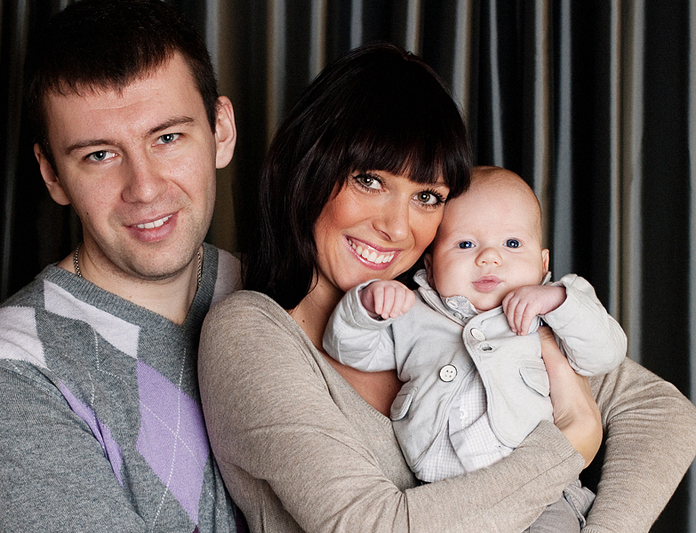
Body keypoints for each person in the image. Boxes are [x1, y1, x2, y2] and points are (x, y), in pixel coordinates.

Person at [198, 43, 696, 533]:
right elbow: (368, 525)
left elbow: (660, 411)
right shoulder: (250, 332)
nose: (397, 228)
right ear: (305, 169)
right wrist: (570, 444)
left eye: (427, 197)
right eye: (369, 180)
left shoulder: (458, 308)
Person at [0, 1, 242, 531]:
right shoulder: (8, 362)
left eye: (167, 138)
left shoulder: (282, 291)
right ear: (52, 174)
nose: (144, 188)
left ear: (221, 130)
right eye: (99, 155)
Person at [323, 166, 627, 532]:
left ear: (543, 262)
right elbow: (349, 350)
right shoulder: (411, 314)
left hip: (543, 499)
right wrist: (368, 305)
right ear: (431, 266)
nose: (489, 257)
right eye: (466, 245)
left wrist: (560, 301)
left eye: (512, 244)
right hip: (443, 498)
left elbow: (605, 354)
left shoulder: (550, 314)